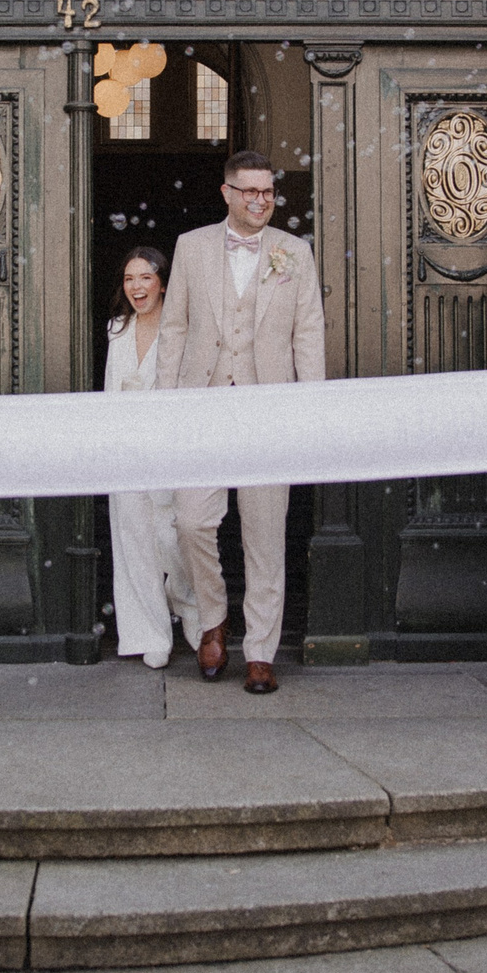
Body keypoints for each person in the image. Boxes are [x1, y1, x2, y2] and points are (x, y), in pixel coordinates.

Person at [157, 148, 327, 693]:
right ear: (227, 193)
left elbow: (308, 331)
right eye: (249, 191)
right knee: (191, 521)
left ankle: (259, 650)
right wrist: (168, 400)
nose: (260, 200)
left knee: (264, 533)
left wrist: (309, 404)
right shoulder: (192, 247)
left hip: (268, 407)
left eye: (267, 192)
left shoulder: (294, 251)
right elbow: (176, 327)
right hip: (202, 403)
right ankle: (213, 619)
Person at [104, 246, 186, 669]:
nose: (136, 286)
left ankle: (187, 603)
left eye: (145, 278)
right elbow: (110, 392)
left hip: (170, 449)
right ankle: (151, 634)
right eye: (129, 279)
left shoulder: (181, 328)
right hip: (126, 450)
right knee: (134, 543)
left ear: (163, 283)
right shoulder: (117, 328)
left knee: (175, 539)